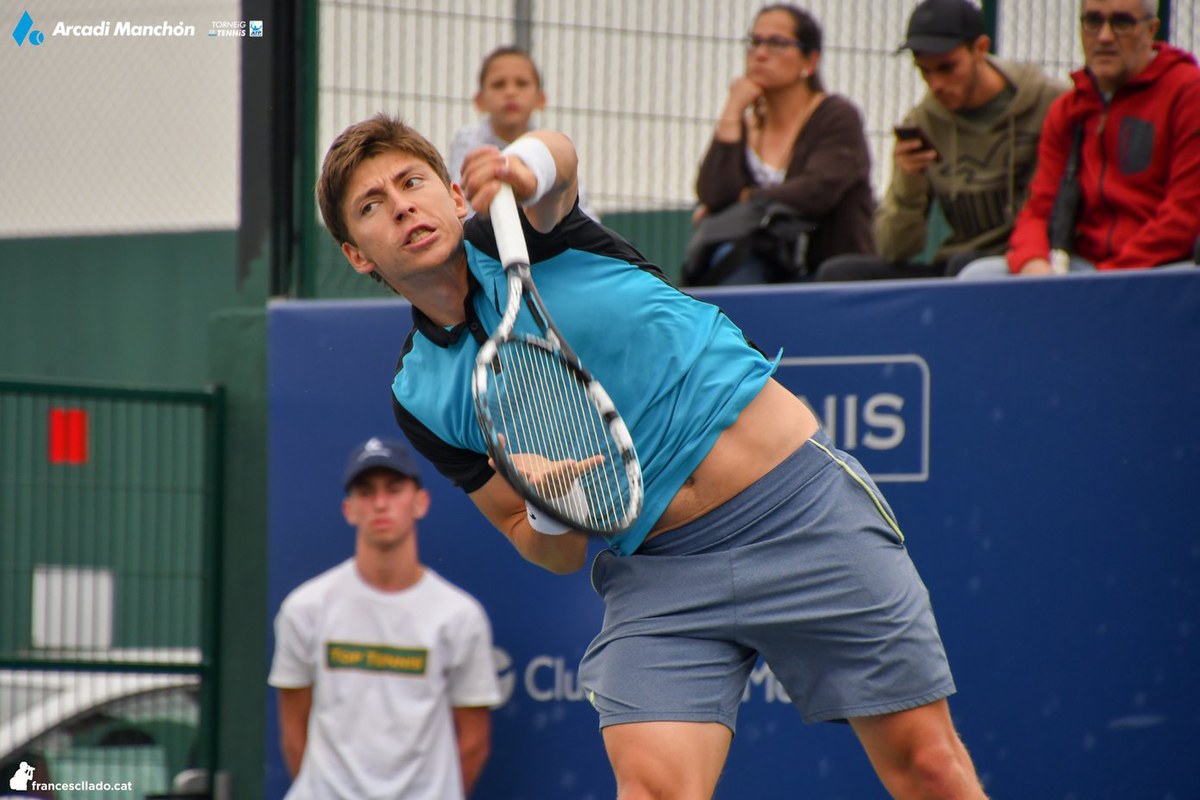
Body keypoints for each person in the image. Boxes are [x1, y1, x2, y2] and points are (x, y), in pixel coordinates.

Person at [315, 113, 987, 798]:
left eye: (412, 182)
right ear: (357, 255)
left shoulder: (524, 231)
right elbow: (544, 545)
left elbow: (558, 161)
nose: (401, 206)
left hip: (800, 512)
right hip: (660, 573)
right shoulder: (420, 394)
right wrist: (548, 507)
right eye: (371, 205)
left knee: (928, 768)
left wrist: (522, 167)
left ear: (456, 196)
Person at [268, 437, 501, 799]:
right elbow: (293, 734)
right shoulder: (305, 608)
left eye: (394, 490)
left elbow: (474, 742)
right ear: (349, 509)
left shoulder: (459, 616)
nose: (380, 504)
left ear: (420, 502)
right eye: (366, 492)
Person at [814, 0, 1067, 282]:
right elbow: (893, 250)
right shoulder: (923, 122)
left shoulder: (1050, 104)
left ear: (980, 49)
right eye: (925, 71)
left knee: (966, 268)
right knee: (839, 274)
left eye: (947, 68)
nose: (936, 84)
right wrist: (909, 181)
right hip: (953, 264)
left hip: (1024, 261)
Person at [959, 0, 1200, 278]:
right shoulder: (1068, 108)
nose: (1105, 37)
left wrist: (1106, 281)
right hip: (1083, 269)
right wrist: (1033, 263)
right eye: (1093, 21)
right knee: (978, 276)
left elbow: (1184, 214)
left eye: (1122, 23)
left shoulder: (1187, 94)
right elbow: (1038, 209)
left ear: (1151, 30)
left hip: (1164, 272)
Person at [688, 4, 875, 285]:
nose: (760, 54)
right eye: (755, 42)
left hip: (826, 274)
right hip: (760, 270)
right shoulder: (746, 127)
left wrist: (749, 198)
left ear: (810, 61)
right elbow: (713, 195)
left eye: (777, 43)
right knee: (729, 259)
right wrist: (732, 110)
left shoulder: (835, 116)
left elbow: (817, 190)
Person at [448, 45, 598, 220]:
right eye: (498, 84)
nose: (510, 92)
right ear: (479, 101)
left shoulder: (553, 148)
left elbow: (582, 212)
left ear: (541, 99)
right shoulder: (466, 141)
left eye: (522, 83)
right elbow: (462, 207)